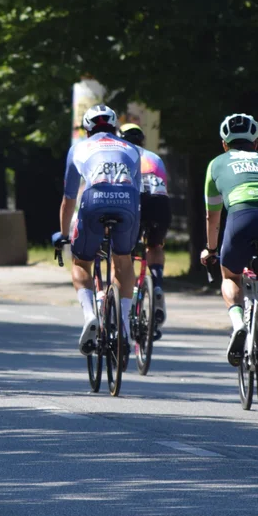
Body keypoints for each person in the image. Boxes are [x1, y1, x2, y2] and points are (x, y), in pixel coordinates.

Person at [199, 113, 258, 376]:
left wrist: (212, 250)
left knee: (230, 275)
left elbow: (212, 215)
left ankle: (238, 322)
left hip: (241, 215)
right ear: (257, 142)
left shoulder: (217, 163)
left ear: (224, 144)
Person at [56, 104, 141, 359]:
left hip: (94, 200)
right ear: (115, 127)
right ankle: (123, 325)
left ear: (86, 129)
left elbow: (69, 198)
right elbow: (138, 194)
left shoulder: (78, 148)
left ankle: (90, 315)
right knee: (124, 261)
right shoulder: (132, 149)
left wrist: (63, 235)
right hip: (128, 202)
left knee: (81, 261)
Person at [119, 123, 171, 336]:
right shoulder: (155, 157)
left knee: (124, 251)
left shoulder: (120, 155)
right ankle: (156, 284)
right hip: (160, 201)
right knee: (155, 245)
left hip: (135, 200)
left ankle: (128, 298)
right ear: (142, 140)